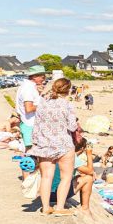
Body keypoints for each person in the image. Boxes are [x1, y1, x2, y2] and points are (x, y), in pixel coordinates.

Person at [30, 77, 77, 215]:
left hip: (45, 144)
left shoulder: (43, 104)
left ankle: (45, 208)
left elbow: (36, 125)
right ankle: (59, 208)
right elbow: (72, 126)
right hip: (63, 144)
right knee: (66, 177)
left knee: (46, 177)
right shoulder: (67, 105)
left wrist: (36, 143)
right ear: (68, 90)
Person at [15, 65, 47, 151]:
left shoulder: (28, 87)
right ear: (34, 76)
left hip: (29, 123)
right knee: (31, 151)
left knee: (32, 152)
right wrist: (45, 105)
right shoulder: (28, 89)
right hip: (29, 124)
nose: (44, 78)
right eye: (42, 76)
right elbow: (28, 109)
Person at [74, 139, 95, 212]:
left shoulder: (64, 154)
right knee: (89, 178)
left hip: (49, 194)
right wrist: (89, 154)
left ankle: (83, 204)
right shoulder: (73, 157)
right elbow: (90, 171)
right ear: (83, 148)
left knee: (82, 175)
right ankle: (85, 207)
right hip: (56, 195)